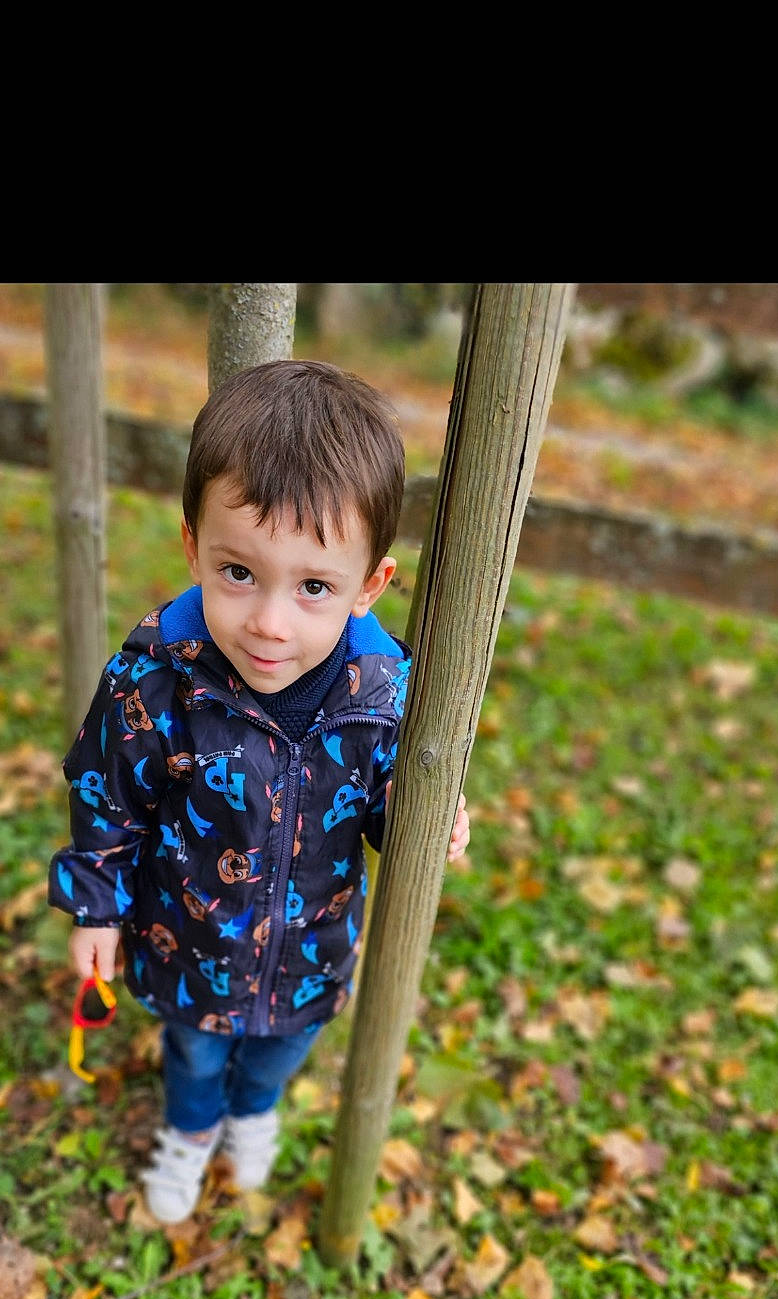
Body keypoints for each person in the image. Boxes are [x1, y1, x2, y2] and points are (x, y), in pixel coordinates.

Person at [47, 360, 470, 1223]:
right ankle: (191, 1130)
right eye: (238, 572)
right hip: (186, 941)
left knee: (278, 1054)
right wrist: (95, 909)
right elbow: (107, 798)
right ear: (193, 546)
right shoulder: (156, 679)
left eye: (313, 586)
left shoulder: (383, 695)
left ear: (369, 587)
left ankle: (254, 1110)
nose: (270, 623)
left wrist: (422, 816)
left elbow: (383, 804)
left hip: (311, 950)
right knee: (194, 1056)